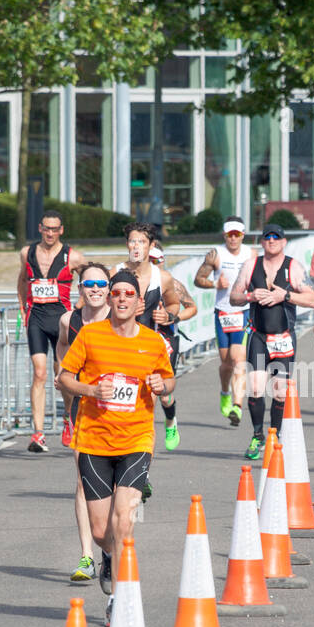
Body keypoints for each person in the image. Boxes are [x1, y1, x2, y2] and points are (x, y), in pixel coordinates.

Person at [55, 270, 175, 625]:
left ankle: (119, 600)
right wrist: (91, 391)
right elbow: (64, 376)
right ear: (110, 298)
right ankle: (106, 556)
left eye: (129, 294)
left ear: (139, 302)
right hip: (93, 440)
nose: (122, 299)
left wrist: (160, 383)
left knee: (125, 521)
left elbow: (168, 380)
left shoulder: (153, 342)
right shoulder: (91, 336)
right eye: (117, 293)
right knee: (100, 531)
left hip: (137, 438)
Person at [229, 222, 314, 460]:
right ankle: (258, 435)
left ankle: (275, 435)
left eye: (276, 238)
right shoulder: (251, 265)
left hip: (283, 337)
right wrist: (250, 295)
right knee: (257, 388)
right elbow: (233, 297)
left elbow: (313, 299)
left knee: (280, 392)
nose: (271, 241)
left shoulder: (293, 267)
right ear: (261, 242)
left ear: (283, 242)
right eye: (267, 237)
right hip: (258, 335)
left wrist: (286, 295)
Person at [53, 262, 112, 584]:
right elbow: (63, 347)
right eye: (89, 284)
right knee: (83, 482)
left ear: (109, 288)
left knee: (115, 487)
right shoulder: (68, 320)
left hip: (118, 411)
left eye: (101, 284)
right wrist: (63, 373)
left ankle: (110, 551)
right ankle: (87, 555)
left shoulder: (119, 318)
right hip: (84, 408)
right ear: (80, 288)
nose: (95, 289)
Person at [119, 227, 195, 451]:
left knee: (162, 396)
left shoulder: (166, 279)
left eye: (155, 258)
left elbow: (190, 307)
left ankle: (170, 421)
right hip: (128, 345)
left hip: (161, 341)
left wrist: (170, 317)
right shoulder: (120, 275)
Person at [18, 209, 85, 453]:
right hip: (36, 318)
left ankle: (68, 418)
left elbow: (92, 279)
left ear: (61, 230)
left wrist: (79, 308)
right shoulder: (27, 253)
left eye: (54, 229)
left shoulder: (73, 257)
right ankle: (38, 433)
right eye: (46, 228)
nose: (50, 233)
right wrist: (23, 308)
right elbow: (23, 281)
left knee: (62, 377)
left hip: (62, 321)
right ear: (40, 228)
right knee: (39, 373)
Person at [194, 216, 252, 426]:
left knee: (239, 360)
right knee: (226, 362)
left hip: (242, 312)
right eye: (230, 235)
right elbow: (198, 279)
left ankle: (237, 405)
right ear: (224, 235)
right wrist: (214, 284)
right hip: (223, 314)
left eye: (237, 235)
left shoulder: (250, 254)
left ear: (243, 235)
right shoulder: (216, 254)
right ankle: (225, 392)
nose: (233, 239)